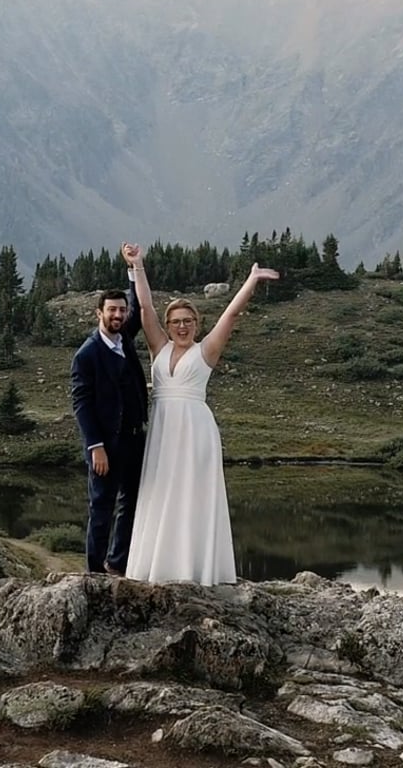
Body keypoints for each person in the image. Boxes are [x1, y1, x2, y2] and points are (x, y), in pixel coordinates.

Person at [124, 249, 278, 585]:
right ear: (168, 326)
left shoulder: (205, 350)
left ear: (196, 325)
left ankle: (195, 569)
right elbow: (146, 306)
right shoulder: (158, 348)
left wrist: (251, 281)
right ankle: (160, 568)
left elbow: (231, 314)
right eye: (176, 322)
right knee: (162, 493)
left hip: (196, 432)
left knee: (193, 496)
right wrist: (137, 267)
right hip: (164, 432)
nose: (182, 327)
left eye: (188, 321)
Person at [69, 266, 147, 575]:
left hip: (133, 440)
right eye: (112, 310)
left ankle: (117, 564)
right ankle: (94, 572)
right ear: (99, 313)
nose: (118, 315)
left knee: (131, 503)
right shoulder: (87, 354)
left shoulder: (125, 336)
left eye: (122, 310)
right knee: (101, 507)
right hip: (106, 445)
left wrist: (133, 269)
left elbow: (139, 308)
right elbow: (81, 403)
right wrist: (95, 446)